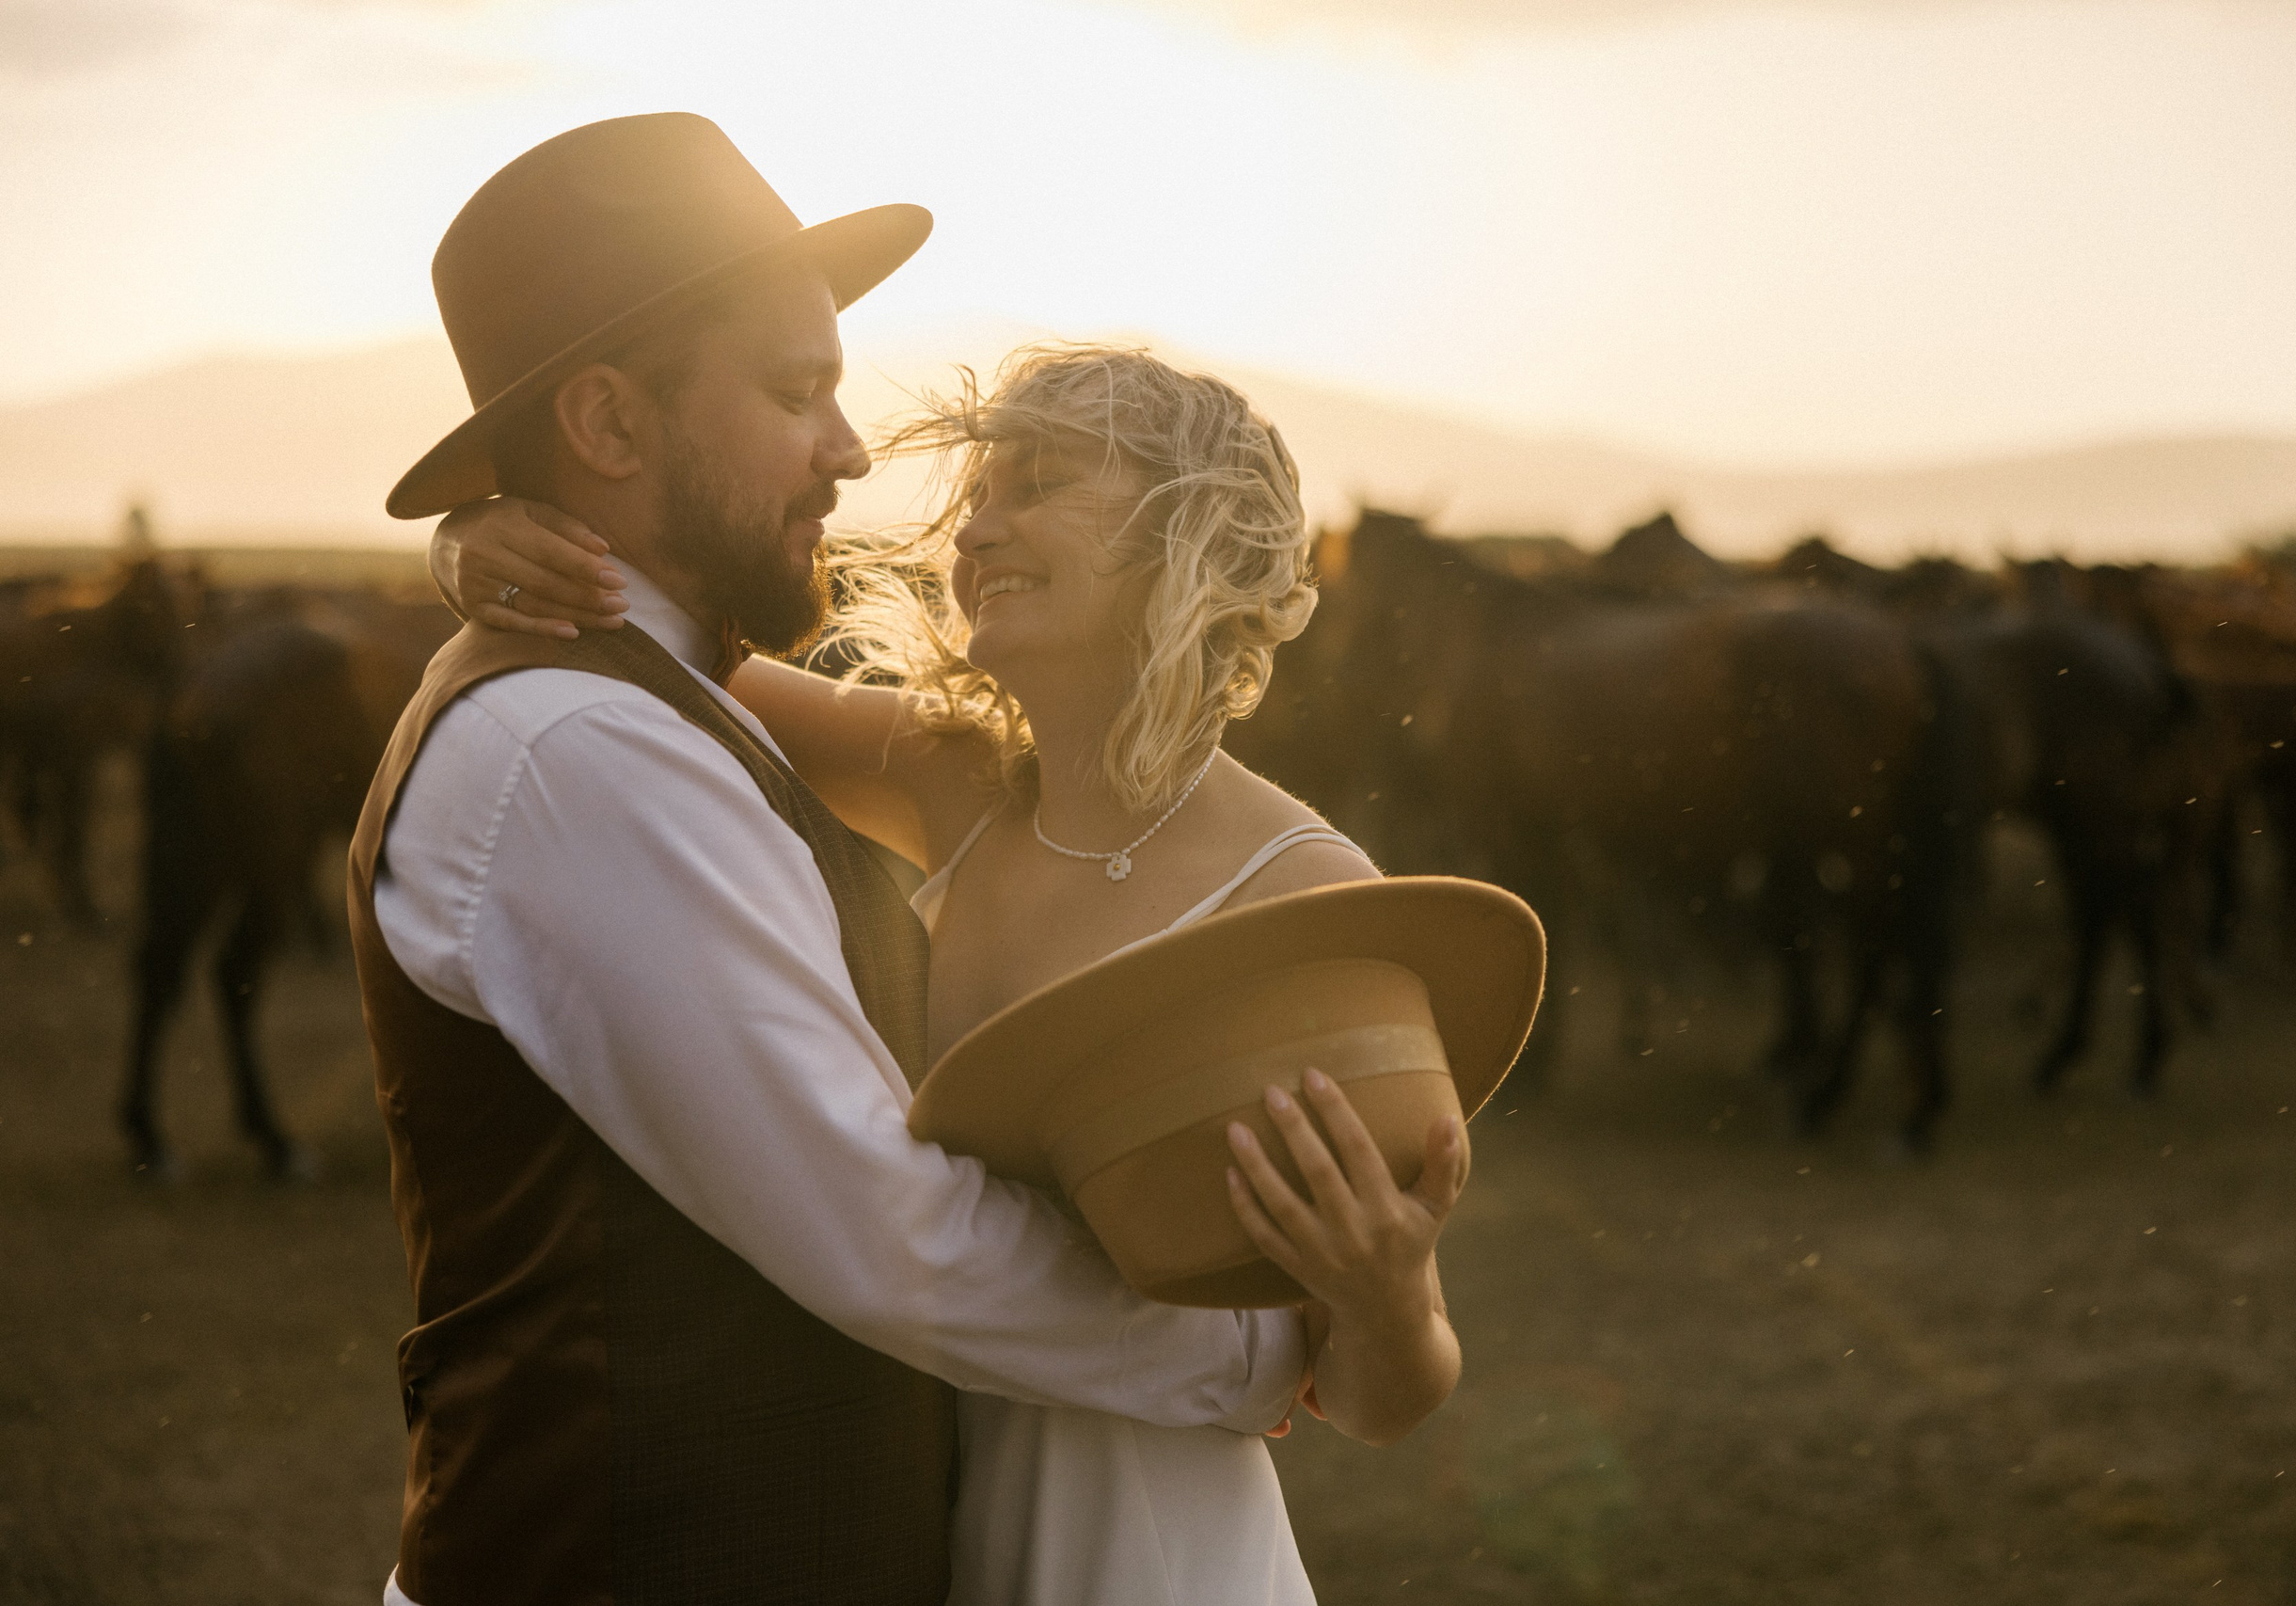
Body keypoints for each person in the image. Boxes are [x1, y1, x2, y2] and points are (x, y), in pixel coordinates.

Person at [357, 116, 1324, 1606]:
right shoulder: (575, 748)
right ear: (612, 428)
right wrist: (1245, 1344)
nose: (855, 450)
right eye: (797, 390)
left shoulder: (658, 701)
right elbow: (884, 1228)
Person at [433, 342, 1472, 1602]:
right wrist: (476, 549)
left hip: (1148, 1547)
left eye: (1033, 484)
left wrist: (1391, 1291)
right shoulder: (952, 781)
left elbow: (1372, 1398)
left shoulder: (1304, 894)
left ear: (1181, 527)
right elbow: (643, 661)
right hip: (907, 1523)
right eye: (975, 497)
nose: (977, 531)